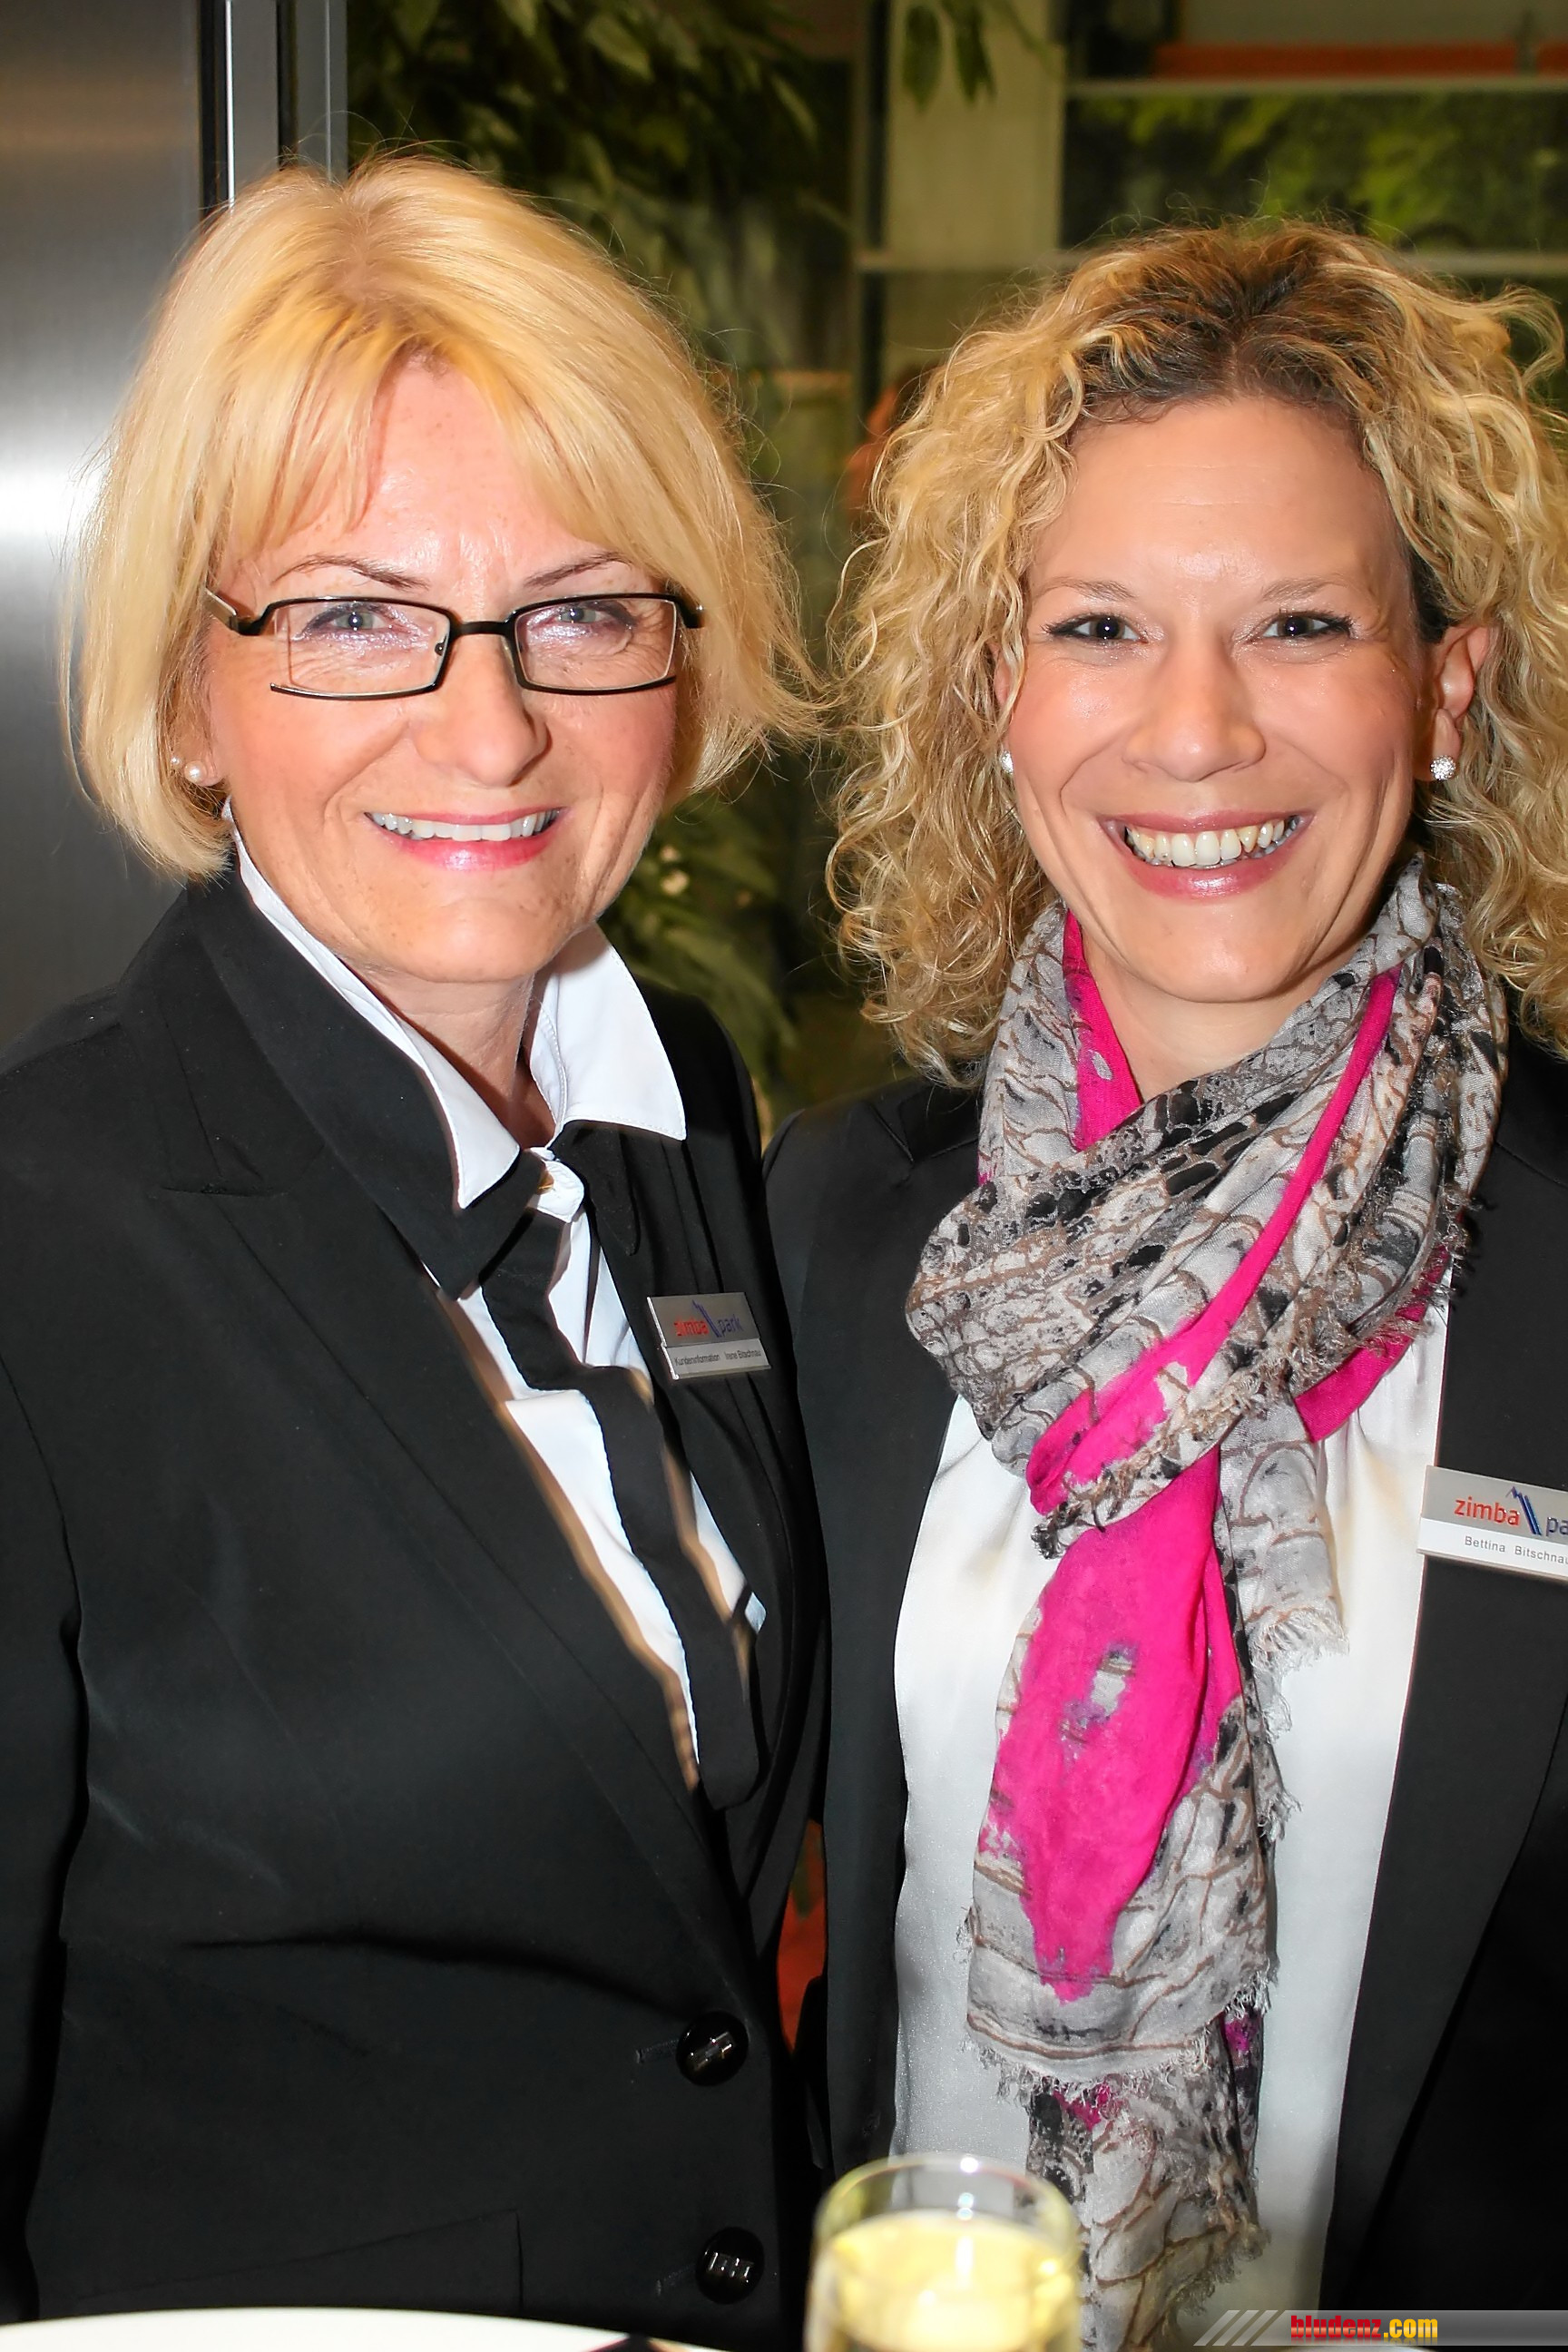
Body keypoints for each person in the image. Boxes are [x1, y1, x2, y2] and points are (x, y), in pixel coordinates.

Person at [0, 156, 823, 2341]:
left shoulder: (678, 1109)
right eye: (355, 618)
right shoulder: (34, 1245)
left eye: (582, 611)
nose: (492, 727)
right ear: (191, 695)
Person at [769, 220, 1568, 2343]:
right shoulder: (839, 1233)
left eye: (1300, 624)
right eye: (1103, 628)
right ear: (1000, 695)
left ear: (1447, 686)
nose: (1197, 732)